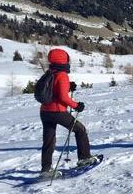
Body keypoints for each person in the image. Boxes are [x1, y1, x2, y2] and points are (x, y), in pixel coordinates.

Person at [39, 48, 98, 178]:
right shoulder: (62, 75)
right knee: (80, 129)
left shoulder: (50, 72)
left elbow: (53, 89)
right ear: (63, 60)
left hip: (45, 111)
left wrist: (68, 86)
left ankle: (45, 170)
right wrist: (77, 105)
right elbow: (63, 98)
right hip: (57, 111)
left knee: (49, 140)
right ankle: (84, 158)